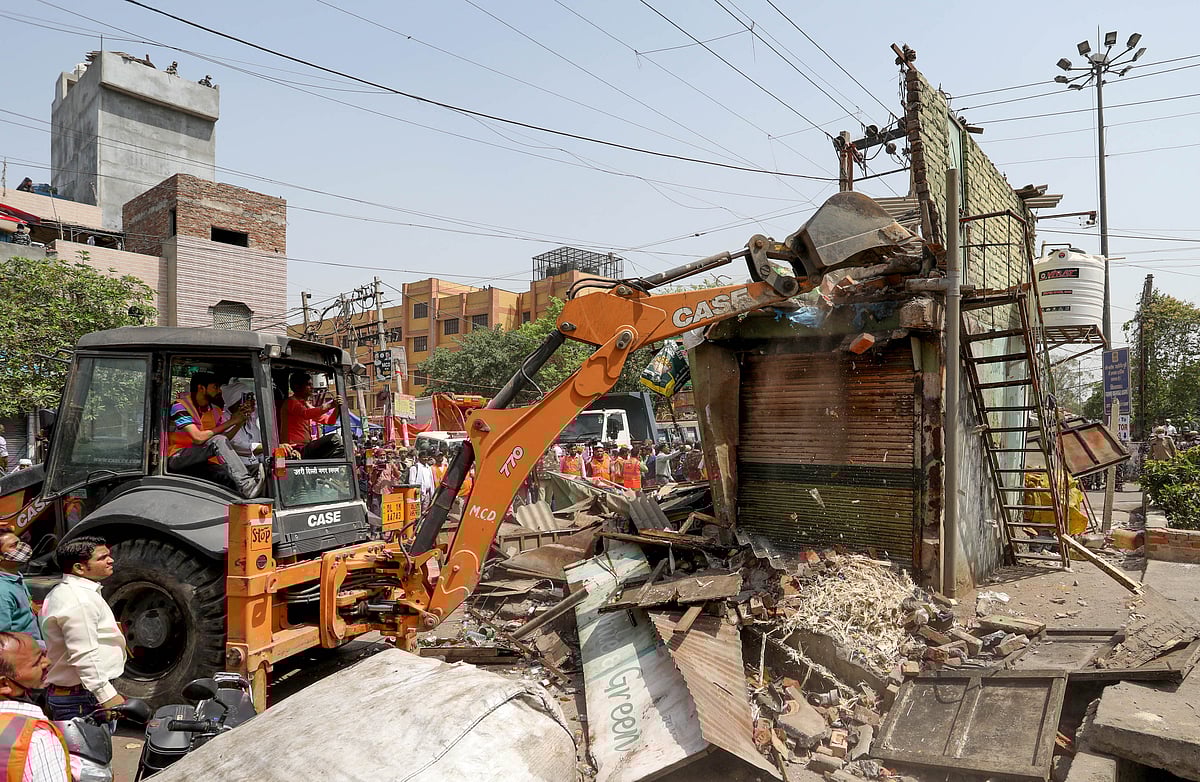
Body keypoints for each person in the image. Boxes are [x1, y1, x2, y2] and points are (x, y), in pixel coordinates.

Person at [41, 537, 127, 721]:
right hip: (82, 698)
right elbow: (84, 653)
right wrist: (106, 695)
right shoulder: (79, 600)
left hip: (81, 694)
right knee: (87, 750)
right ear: (79, 568)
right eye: (102, 557)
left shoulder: (72, 593)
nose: (110, 560)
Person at [167, 371, 260, 498]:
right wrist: (232, 421)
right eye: (215, 387)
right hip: (178, 456)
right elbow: (198, 438)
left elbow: (225, 440)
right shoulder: (179, 406)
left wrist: (239, 421)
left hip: (203, 458)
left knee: (253, 469)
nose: (219, 391)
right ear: (201, 388)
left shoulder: (215, 410)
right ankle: (247, 485)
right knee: (218, 440)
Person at [0, 632, 71, 782]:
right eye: (36, 663)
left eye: (43, 655)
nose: (47, 662)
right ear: (4, 684)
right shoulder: (37, 738)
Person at [280, 372, 344, 459]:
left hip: (306, 447)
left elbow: (329, 421)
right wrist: (330, 405)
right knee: (335, 438)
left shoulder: (306, 405)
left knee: (343, 448)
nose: (312, 388)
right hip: (294, 449)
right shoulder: (291, 402)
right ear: (297, 386)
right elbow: (306, 414)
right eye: (308, 385)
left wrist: (337, 408)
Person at [0, 534, 40, 641]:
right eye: (14, 545)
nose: (22, 547)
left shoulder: (16, 577)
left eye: (20, 542)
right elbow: (3, 639)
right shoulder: (2, 590)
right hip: (24, 654)